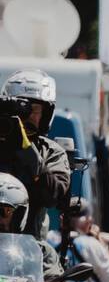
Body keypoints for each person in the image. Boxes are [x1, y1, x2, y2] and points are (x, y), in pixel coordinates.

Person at [0, 69, 70, 242]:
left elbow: (53, 195)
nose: (28, 116)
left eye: (35, 109)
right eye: (22, 109)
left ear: (46, 114)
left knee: (54, 268)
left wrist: (27, 152)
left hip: (31, 253)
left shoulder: (51, 152)